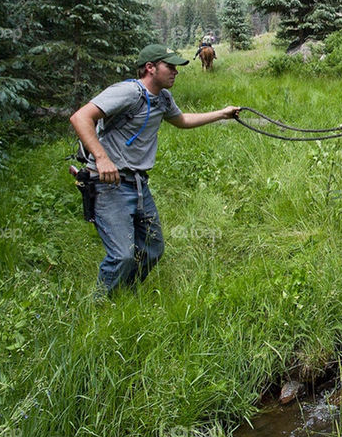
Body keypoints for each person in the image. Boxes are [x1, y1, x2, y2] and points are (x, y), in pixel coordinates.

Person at [69, 43, 240, 296]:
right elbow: (80, 117)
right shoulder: (128, 92)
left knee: (153, 249)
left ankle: (125, 295)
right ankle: (99, 306)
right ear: (150, 68)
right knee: (122, 255)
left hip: (138, 185)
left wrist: (222, 114)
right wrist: (102, 158)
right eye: (170, 67)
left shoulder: (163, 98)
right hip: (108, 185)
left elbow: (181, 121)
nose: (176, 72)